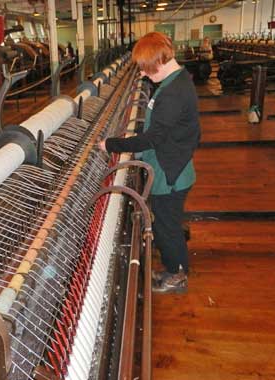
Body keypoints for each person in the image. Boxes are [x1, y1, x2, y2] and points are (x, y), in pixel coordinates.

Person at [98, 32, 200, 294]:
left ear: (160, 61)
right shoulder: (175, 82)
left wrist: (112, 144)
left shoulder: (172, 93)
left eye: (145, 68)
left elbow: (153, 139)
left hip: (170, 173)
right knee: (167, 223)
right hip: (174, 164)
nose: (143, 74)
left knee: (167, 228)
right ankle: (172, 260)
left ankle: (177, 275)